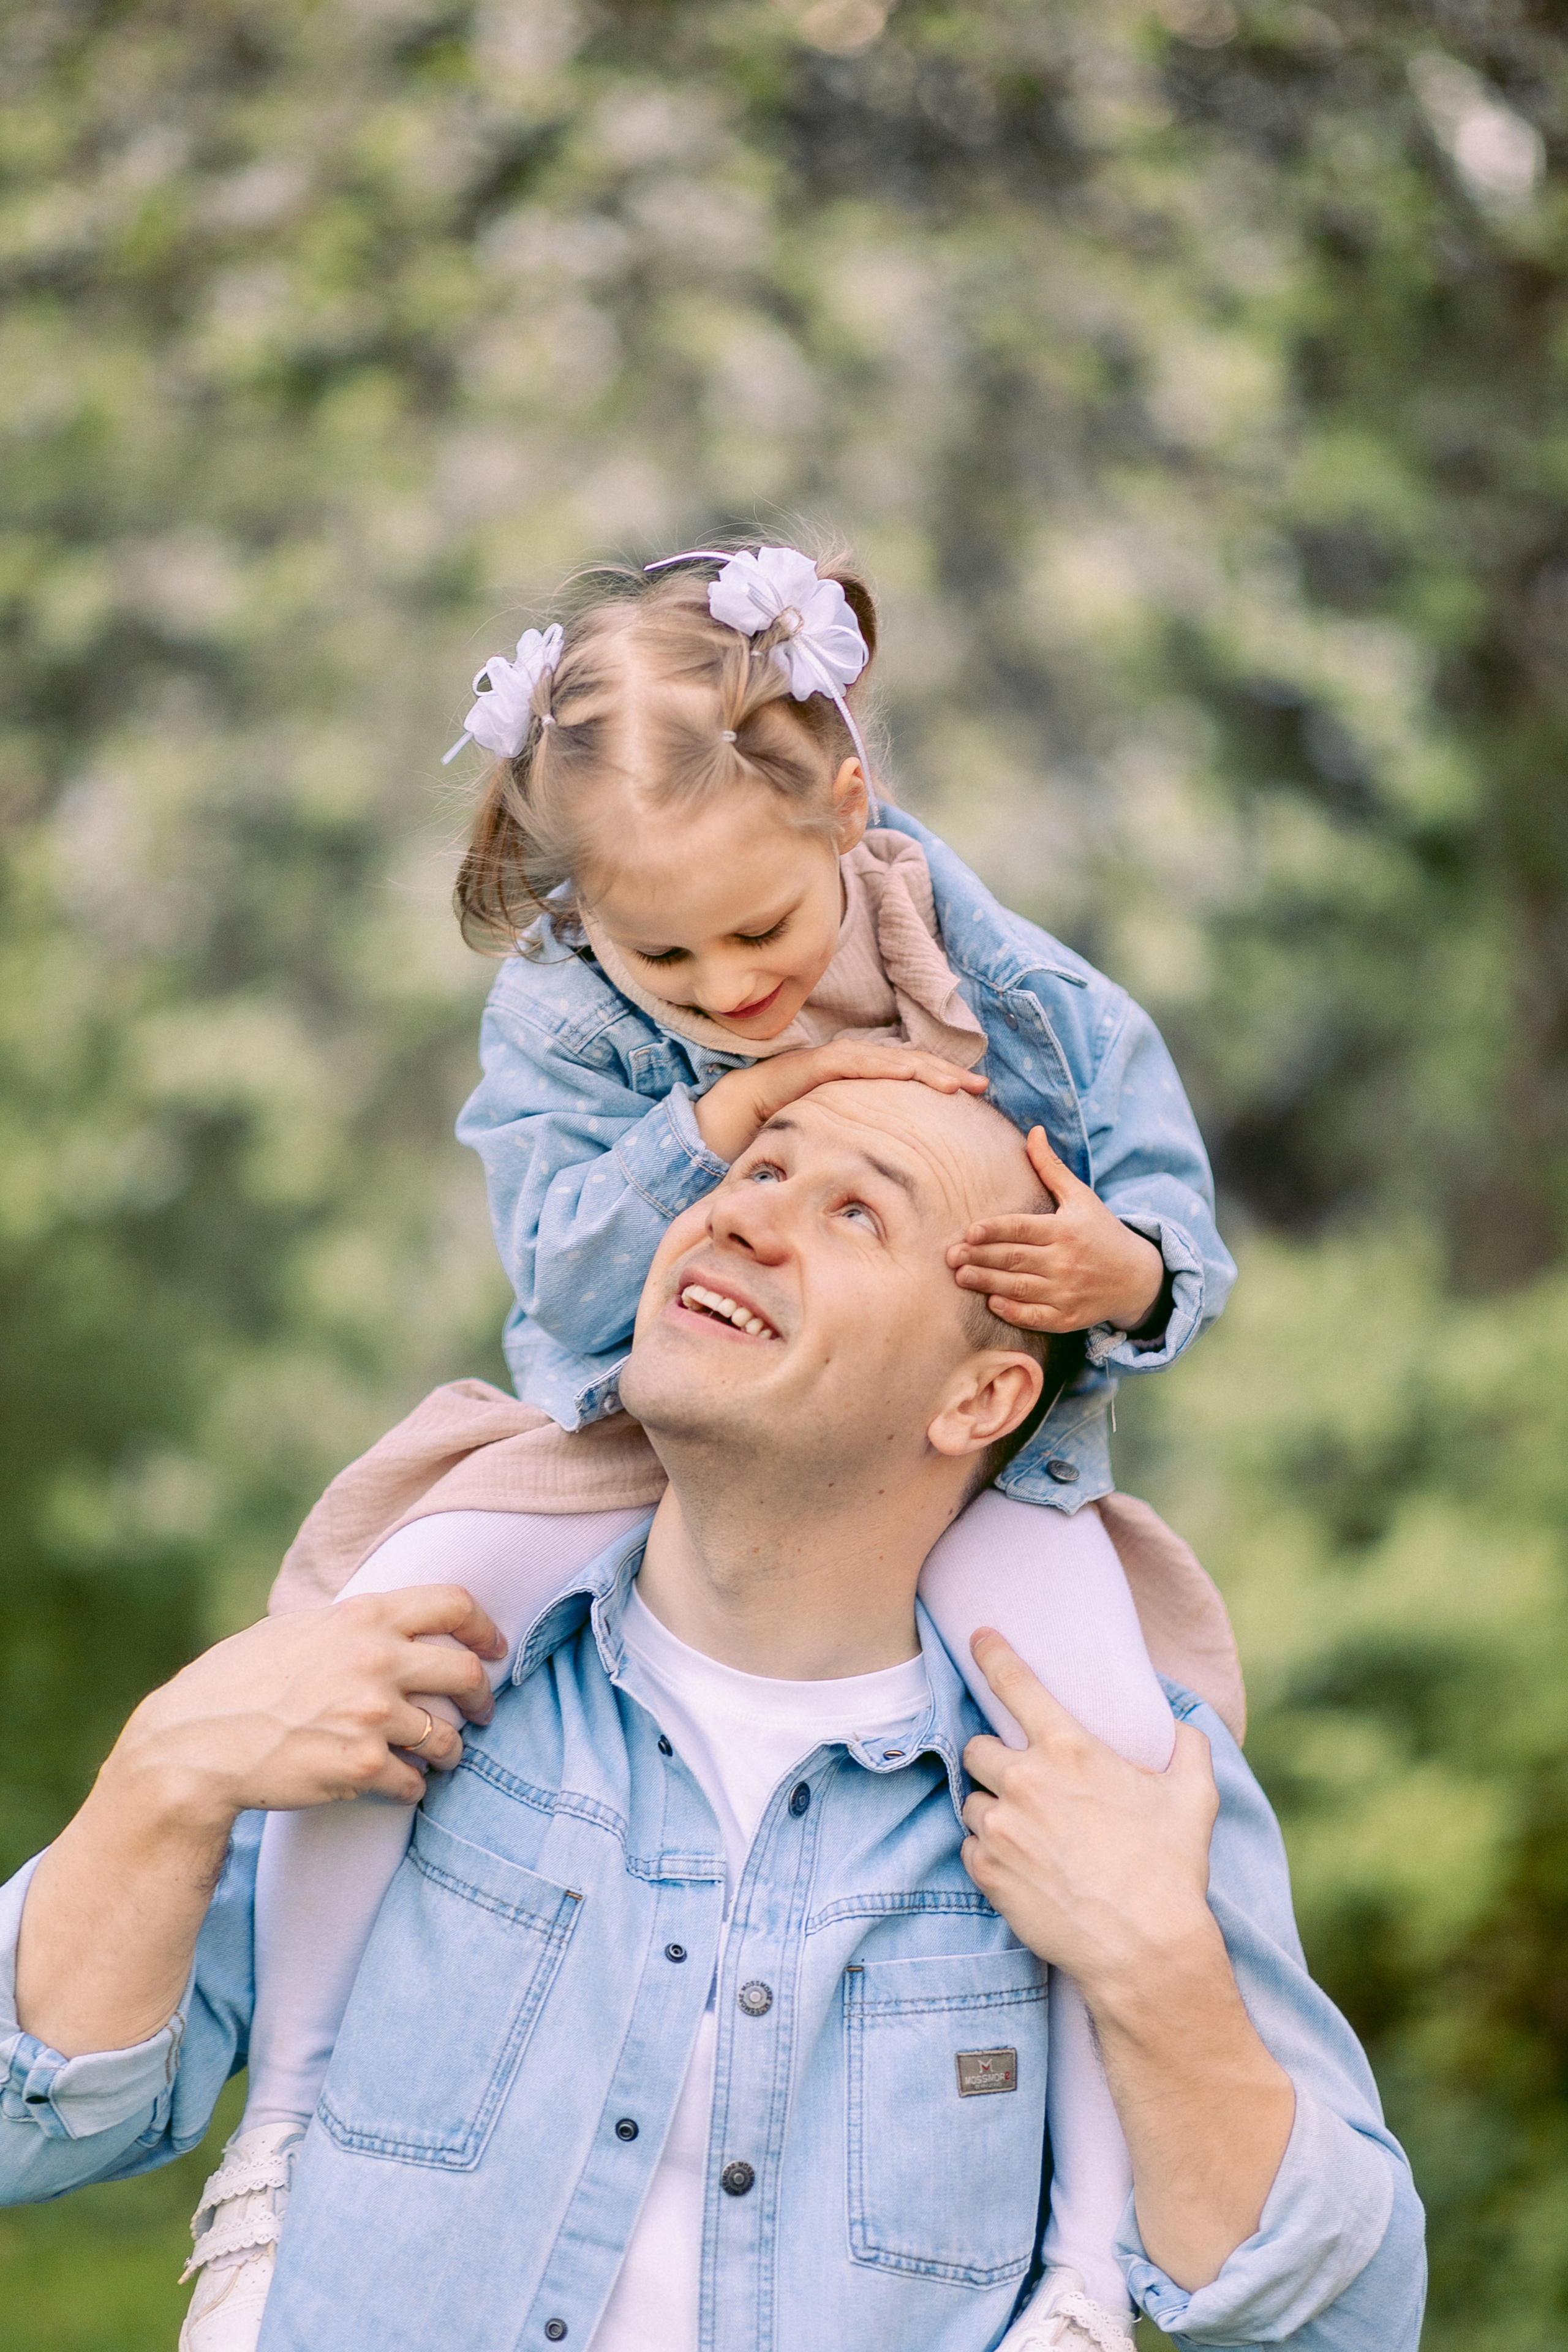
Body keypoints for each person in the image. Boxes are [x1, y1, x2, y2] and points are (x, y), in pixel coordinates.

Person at [195, 539, 1238, 2348]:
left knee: (1114, 1762)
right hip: (631, 1417)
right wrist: (733, 1115)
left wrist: (1121, 1269)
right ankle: (282, 2127)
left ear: (847, 805)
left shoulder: (988, 961)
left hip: (970, 1457)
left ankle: (1081, 2277)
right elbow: (562, 1267)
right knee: (394, 1625)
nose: (727, 982)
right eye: (660, 951)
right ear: (576, 907)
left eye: (762, 932)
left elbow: (1164, 1197)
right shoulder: (556, 1010)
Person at [2, 1082, 1422, 2350]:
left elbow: (1344, 2323)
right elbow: (34, 2130)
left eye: (857, 1212)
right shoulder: (416, 1676)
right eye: (758, 1170)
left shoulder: (1110, 1784)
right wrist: (160, 1778)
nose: (743, 1217)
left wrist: (1157, 1972)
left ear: (980, 1395)